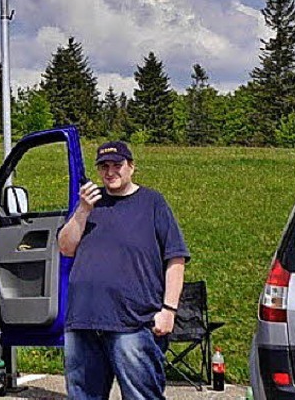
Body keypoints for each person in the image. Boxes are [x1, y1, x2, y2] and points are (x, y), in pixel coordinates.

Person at [58, 140, 189, 400]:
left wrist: (169, 310)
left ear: (131, 167)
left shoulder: (152, 203)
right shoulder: (89, 204)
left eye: (117, 165)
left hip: (133, 322)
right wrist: (83, 211)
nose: (110, 172)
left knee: (142, 395)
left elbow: (175, 259)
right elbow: (65, 247)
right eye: (104, 166)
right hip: (83, 319)